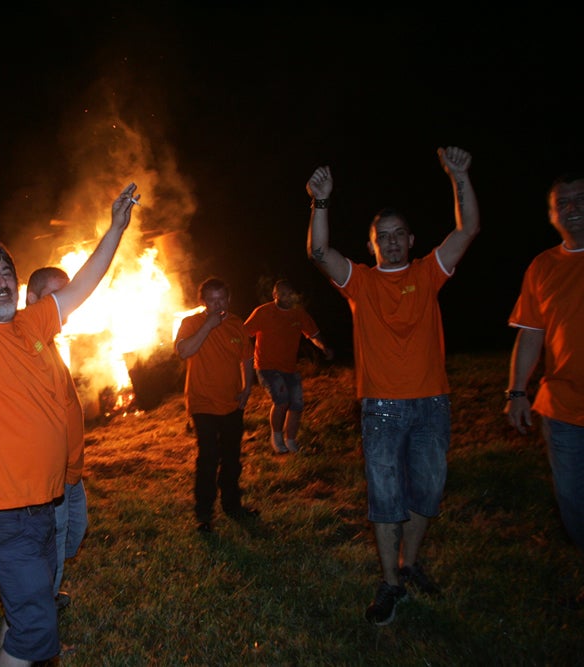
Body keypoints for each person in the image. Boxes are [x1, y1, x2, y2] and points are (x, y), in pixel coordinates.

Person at [0, 117, 138, 666]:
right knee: (38, 624)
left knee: (30, 611)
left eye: (3, 270)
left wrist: (115, 229)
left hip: (45, 504)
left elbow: (85, 281)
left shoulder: (34, 325)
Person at [305, 146, 480, 626]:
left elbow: (466, 231)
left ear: (411, 239)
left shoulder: (427, 274)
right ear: (372, 245)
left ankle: (410, 562)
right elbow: (319, 252)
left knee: (427, 490)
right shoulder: (360, 283)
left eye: (400, 234)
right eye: (383, 237)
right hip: (380, 407)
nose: (393, 242)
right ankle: (390, 583)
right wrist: (321, 202)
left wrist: (458, 179)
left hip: (432, 404)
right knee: (385, 498)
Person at [504, 172, 584, 609]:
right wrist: (517, 392)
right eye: (563, 203)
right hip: (563, 408)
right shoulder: (543, 267)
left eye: (580, 199)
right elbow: (531, 334)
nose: (572, 207)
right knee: (573, 505)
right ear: (552, 215)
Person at [26, 266, 88, 612]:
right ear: (32, 300)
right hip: (53, 477)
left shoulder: (49, 343)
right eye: (56, 297)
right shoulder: (27, 346)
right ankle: (42, 602)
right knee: (60, 536)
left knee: (76, 530)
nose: (66, 305)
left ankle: (36, 580)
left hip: (71, 470)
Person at [175, 276, 258, 533]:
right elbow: (184, 351)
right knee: (208, 458)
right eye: (211, 300)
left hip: (232, 403)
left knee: (232, 459)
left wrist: (247, 388)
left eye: (221, 298)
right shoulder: (191, 323)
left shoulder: (236, 325)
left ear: (228, 299)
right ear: (202, 302)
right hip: (202, 403)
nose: (217, 303)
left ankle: (233, 505)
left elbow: (246, 359)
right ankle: (204, 514)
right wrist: (208, 325)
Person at [243, 279, 334, 454]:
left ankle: (290, 440)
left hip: (289, 368)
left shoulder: (298, 314)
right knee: (282, 400)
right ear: (275, 295)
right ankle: (276, 438)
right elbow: (244, 334)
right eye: (282, 294)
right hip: (266, 366)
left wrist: (324, 347)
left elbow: (313, 334)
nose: (286, 297)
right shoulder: (263, 312)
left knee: (297, 404)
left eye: (289, 294)